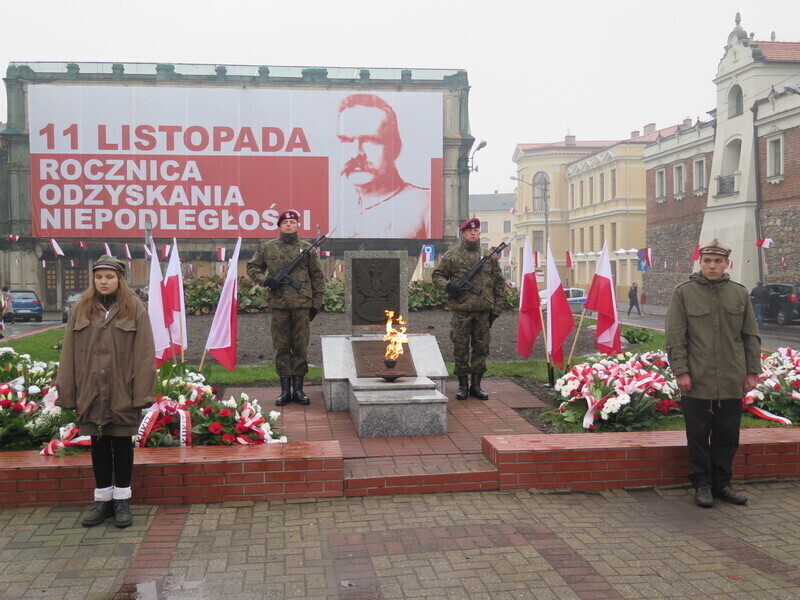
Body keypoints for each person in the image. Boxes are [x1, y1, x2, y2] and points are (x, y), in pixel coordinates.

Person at [55, 256, 156, 528]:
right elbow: (68, 353)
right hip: (90, 389)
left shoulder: (134, 307)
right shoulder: (81, 308)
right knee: (98, 444)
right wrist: (68, 390)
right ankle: (102, 501)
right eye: (99, 276)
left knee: (122, 444)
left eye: (109, 277)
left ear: (119, 279)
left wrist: (142, 393)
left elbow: (145, 354)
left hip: (122, 389)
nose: (103, 281)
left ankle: (122, 501)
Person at [665, 239, 760, 508]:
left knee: (727, 435)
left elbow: (750, 335)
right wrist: (681, 371)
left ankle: (722, 484)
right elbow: (675, 337)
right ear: (700, 262)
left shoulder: (739, 293)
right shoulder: (684, 293)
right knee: (697, 435)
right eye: (707, 261)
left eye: (718, 261)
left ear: (727, 264)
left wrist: (752, 371)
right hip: (697, 377)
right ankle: (702, 484)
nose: (712, 266)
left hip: (731, 377)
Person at [246, 209, 324, 406]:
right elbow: (252, 267)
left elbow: (317, 276)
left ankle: (298, 390)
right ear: (280, 226)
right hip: (279, 305)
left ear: (297, 226)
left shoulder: (307, 248)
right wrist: (266, 280)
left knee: (300, 347)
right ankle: (284, 390)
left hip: (302, 304)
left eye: (292, 222)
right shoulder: (268, 248)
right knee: (281, 347)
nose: (289, 225)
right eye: (285, 223)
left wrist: (316, 304)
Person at [335, 93, 431, 239]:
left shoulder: (424, 203)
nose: (357, 153)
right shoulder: (338, 208)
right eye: (346, 140)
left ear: (395, 146)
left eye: (370, 140)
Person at [433, 218, 505, 400]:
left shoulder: (488, 257)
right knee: (461, 347)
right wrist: (449, 287)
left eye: (476, 230)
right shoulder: (452, 255)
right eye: (469, 231)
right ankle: (463, 385)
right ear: (463, 233)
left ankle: (476, 385)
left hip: (483, 311)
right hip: (462, 311)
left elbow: (499, 283)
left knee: (481, 348)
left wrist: (496, 309)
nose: (473, 233)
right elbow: (437, 275)